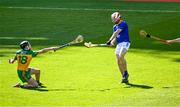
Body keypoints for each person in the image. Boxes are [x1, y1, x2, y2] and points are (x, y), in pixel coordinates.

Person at [106, 12, 131, 84]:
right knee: (117, 59)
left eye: (114, 18)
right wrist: (112, 42)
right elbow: (116, 37)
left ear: (118, 18)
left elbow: (116, 32)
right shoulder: (114, 27)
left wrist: (109, 40)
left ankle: (126, 72)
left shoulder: (123, 23)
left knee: (121, 55)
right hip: (119, 44)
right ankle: (124, 77)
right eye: (113, 19)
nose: (113, 20)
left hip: (125, 42)